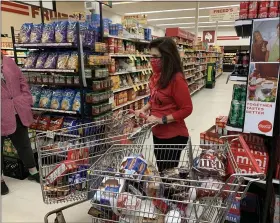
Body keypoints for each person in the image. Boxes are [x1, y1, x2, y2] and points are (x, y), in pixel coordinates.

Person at [135, 37, 193, 172]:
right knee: (162, 171)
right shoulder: (156, 76)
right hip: (158, 133)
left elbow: (187, 109)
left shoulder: (176, 79)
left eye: (155, 56)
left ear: (167, 57)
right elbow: (155, 98)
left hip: (173, 137)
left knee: (168, 176)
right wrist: (142, 109)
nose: (151, 60)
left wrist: (161, 120)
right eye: (150, 56)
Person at [1, 53, 39, 195]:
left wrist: (26, 97)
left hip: (17, 110)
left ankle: (33, 171)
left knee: (24, 143)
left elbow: (21, 80)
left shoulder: (8, 61)